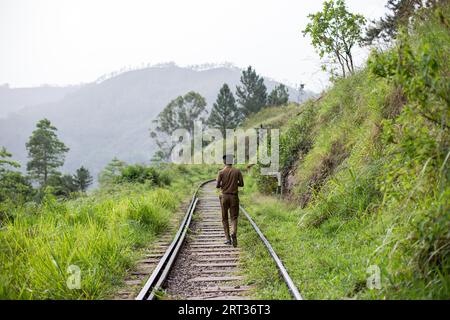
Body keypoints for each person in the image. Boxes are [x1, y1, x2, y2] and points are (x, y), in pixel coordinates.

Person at [216, 154, 244, 247]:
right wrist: (234, 184)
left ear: (224, 162)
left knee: (224, 218)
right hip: (234, 197)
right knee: (234, 217)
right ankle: (234, 232)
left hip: (224, 197)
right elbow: (242, 184)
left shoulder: (221, 172)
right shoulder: (237, 171)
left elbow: (217, 185)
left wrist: (223, 184)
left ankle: (228, 239)